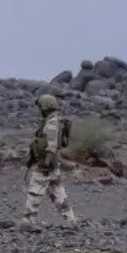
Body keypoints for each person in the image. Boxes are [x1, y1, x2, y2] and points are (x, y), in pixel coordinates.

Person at [21, 91, 77, 227]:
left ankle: (28, 222)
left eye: (40, 107)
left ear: (45, 107)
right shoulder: (54, 121)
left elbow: (51, 146)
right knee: (58, 194)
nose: (39, 110)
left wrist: (45, 163)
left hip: (46, 166)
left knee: (35, 193)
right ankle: (71, 221)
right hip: (53, 166)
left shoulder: (51, 124)